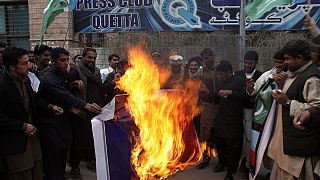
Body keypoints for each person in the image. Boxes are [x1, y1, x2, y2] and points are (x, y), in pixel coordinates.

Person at [37, 48, 102, 180]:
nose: (66, 63)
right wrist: (86, 105)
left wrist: (73, 84)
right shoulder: (49, 78)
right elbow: (64, 95)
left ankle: (60, 175)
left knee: (62, 152)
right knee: (53, 155)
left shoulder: (63, 74)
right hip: (50, 123)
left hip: (63, 120)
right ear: (53, 61)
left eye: (67, 59)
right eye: (62, 60)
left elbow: (67, 89)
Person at [0, 46, 63, 180]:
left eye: (28, 61)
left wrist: (50, 106)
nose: (28, 66)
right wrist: (22, 126)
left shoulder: (26, 80)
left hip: (33, 136)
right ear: (12, 67)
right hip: (15, 141)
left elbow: (34, 100)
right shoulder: (3, 85)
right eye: (24, 63)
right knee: (22, 173)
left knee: (37, 170)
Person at [268, 40, 320, 180]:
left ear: (299, 58)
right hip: (287, 147)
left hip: (299, 153)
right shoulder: (295, 73)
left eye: (287, 59)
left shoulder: (312, 78)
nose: (285, 63)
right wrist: (281, 85)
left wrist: (288, 102)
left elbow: (316, 109)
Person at [67, 48, 106, 177]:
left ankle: (91, 161)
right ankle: (75, 166)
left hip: (96, 111)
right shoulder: (75, 71)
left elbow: (101, 89)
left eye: (94, 58)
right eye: (89, 57)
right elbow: (68, 91)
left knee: (93, 138)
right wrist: (73, 85)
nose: (92, 60)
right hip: (82, 111)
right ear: (83, 57)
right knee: (79, 141)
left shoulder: (97, 72)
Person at [211, 60, 249, 180]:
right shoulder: (220, 82)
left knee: (233, 147)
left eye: (221, 74)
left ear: (228, 72)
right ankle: (222, 162)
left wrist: (230, 92)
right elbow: (215, 97)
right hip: (221, 118)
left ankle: (230, 172)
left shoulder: (239, 80)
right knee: (219, 143)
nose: (220, 76)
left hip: (234, 120)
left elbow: (245, 97)